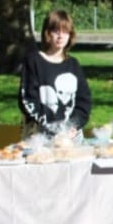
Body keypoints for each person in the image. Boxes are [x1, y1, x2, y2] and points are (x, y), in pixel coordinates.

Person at [19, 10, 92, 139]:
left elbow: (84, 102)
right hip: (39, 137)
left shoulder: (74, 65)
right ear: (47, 33)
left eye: (65, 31)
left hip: (70, 137)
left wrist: (72, 126)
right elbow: (28, 99)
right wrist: (51, 127)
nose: (60, 36)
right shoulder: (34, 61)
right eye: (56, 31)